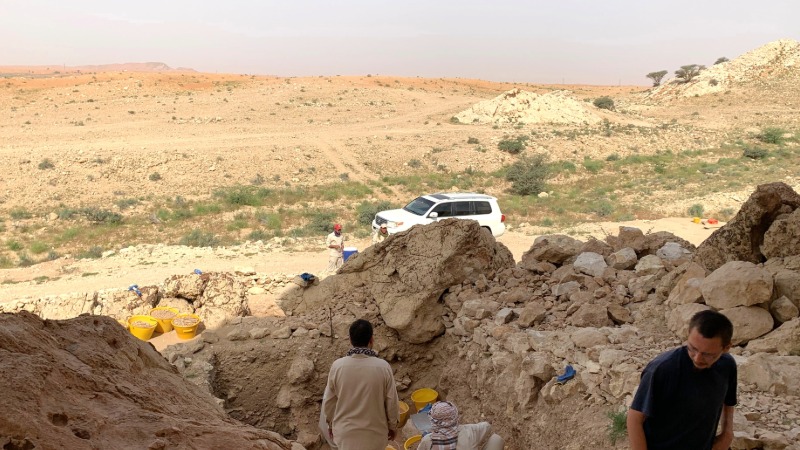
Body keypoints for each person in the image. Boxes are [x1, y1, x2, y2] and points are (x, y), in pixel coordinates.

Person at [627, 310, 737, 450]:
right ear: (688, 334)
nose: (697, 358)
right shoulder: (662, 369)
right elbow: (635, 418)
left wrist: (727, 434)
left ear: (726, 348)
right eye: (693, 348)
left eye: (707, 354)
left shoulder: (727, 365)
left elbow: (729, 401)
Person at [322, 319, 399, 450]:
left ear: (350, 340)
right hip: (375, 435)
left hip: (345, 435)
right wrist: (392, 426)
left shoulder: (338, 366)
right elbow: (391, 402)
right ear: (371, 340)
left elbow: (329, 402)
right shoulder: (383, 367)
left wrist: (330, 425)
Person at [417, 401, 504, 450]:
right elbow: (487, 426)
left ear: (433, 421)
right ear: (455, 417)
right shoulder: (470, 431)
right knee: (496, 439)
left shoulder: (427, 440)